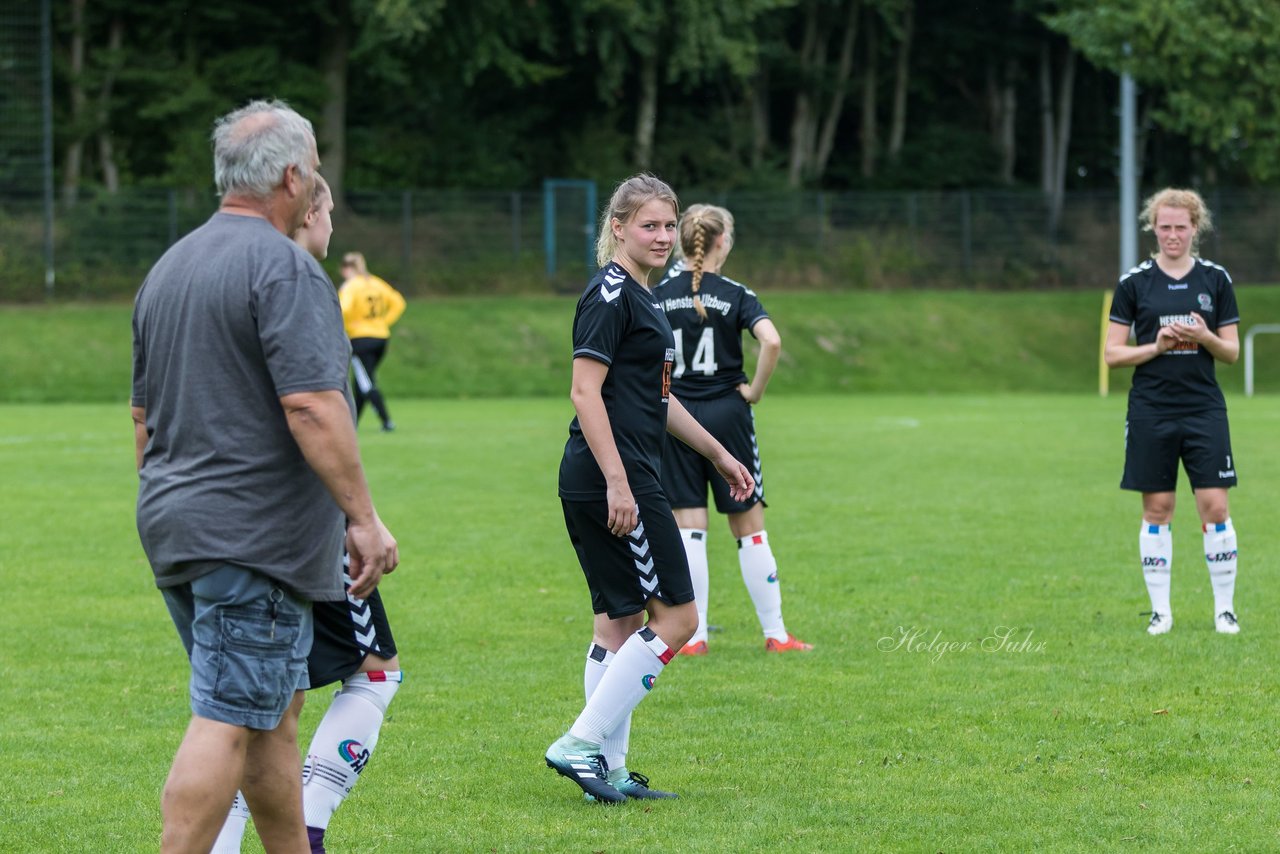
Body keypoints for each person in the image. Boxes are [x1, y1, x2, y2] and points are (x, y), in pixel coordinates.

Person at [131, 99, 398, 854]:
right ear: (291, 175)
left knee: (269, 716)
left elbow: (142, 422)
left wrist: (173, 508)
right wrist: (363, 517)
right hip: (252, 540)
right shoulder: (283, 267)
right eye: (312, 167)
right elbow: (313, 406)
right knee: (227, 715)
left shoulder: (170, 266)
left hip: (178, 526)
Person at [545, 174, 755, 803]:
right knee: (680, 619)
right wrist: (618, 480)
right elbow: (585, 391)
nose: (663, 236)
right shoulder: (610, 295)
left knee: (617, 624)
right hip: (616, 475)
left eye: (669, 225)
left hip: (613, 472)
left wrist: (718, 452)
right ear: (618, 228)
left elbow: (656, 400)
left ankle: (604, 772)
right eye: (649, 225)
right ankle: (580, 744)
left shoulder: (644, 295)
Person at [212, 176, 405, 854]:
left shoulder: (223, 277)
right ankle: (308, 826)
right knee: (372, 673)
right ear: (310, 214)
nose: (332, 231)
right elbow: (313, 411)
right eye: (329, 215)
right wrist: (360, 516)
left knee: (268, 701)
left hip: (224, 520)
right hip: (303, 520)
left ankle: (240, 840)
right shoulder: (300, 287)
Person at [654, 204, 812, 655]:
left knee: (689, 528)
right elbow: (772, 340)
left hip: (677, 417)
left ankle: (695, 637)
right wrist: (755, 391)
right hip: (728, 415)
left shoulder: (658, 295)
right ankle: (776, 634)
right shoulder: (735, 293)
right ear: (722, 241)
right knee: (749, 529)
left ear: (681, 241)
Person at [1104, 187, 1241, 636]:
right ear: (1153, 227)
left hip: (1203, 409)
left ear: (1195, 228)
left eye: (1181, 227)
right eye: (1164, 226)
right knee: (1158, 508)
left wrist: (1204, 337)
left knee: (1214, 507)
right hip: (1151, 409)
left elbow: (1232, 353)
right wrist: (1156, 346)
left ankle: (1225, 611)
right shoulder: (1134, 283)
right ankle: (1161, 612)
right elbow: (1112, 355)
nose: (1172, 235)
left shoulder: (1215, 280)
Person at [338, 252, 406, 432]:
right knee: (362, 380)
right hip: (381, 337)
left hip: (360, 338)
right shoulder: (376, 283)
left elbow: (342, 308)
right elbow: (399, 302)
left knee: (366, 382)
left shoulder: (350, 286)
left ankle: (386, 420)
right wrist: (384, 321)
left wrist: (342, 327)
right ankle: (353, 423)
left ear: (347, 269)